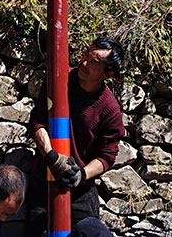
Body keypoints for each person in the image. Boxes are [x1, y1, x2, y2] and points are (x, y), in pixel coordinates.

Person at [25, 37, 126, 237]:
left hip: (80, 193)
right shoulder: (58, 81)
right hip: (43, 185)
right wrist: (51, 156)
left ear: (108, 73)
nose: (84, 62)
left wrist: (80, 175)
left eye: (94, 61)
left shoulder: (109, 109)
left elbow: (107, 156)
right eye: (85, 54)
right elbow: (37, 121)